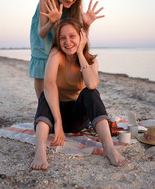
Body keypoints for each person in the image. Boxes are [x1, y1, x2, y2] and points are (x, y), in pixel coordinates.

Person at [30, 18, 129, 170]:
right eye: (62, 37)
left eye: (72, 36)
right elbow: (49, 84)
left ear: (82, 37)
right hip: (54, 115)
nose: (67, 42)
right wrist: (58, 122)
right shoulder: (56, 54)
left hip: (77, 119)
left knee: (91, 93)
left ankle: (109, 148)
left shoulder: (92, 61)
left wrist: (80, 54)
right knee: (45, 94)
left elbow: (91, 84)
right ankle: (40, 150)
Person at [29, 0, 105, 99]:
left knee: (64, 64)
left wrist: (87, 25)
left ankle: (64, 104)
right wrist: (52, 21)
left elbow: (81, 39)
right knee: (43, 68)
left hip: (63, 33)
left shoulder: (76, 4)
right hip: (44, 31)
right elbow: (41, 33)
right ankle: (43, 108)